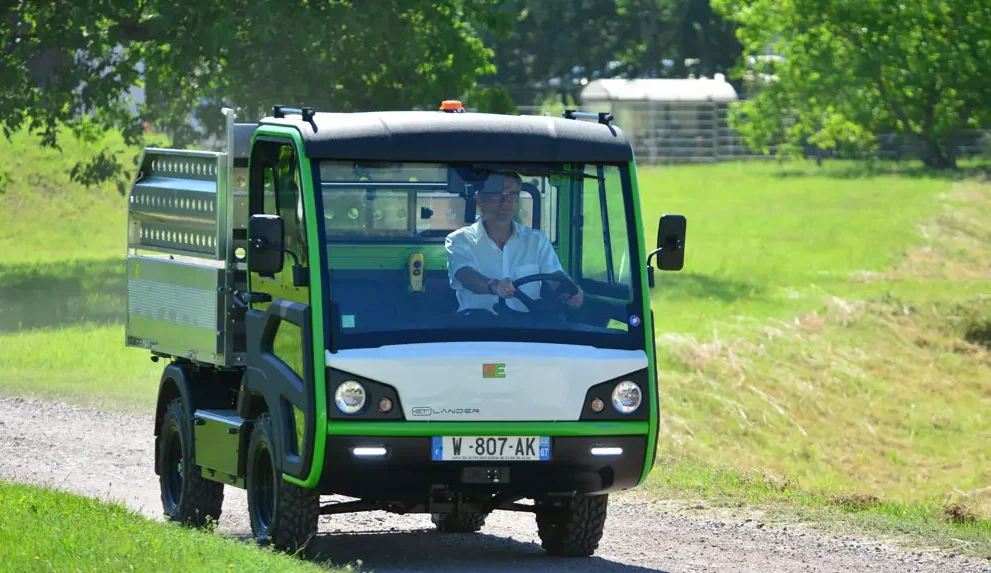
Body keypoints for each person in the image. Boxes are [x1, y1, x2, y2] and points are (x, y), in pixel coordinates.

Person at [445, 172, 584, 314]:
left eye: (512, 195)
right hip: (478, 328)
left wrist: (570, 292)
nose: (505, 201)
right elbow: (465, 275)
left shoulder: (536, 241)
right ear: (480, 200)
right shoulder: (460, 240)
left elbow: (555, 277)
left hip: (526, 329)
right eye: (498, 194)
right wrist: (493, 286)